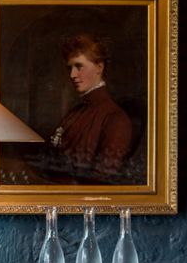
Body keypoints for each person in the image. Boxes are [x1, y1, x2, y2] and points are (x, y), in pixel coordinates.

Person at [47, 34, 133, 182]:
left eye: (79, 66)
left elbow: (100, 182)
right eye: (70, 68)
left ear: (99, 67)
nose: (73, 75)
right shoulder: (75, 112)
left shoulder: (115, 119)